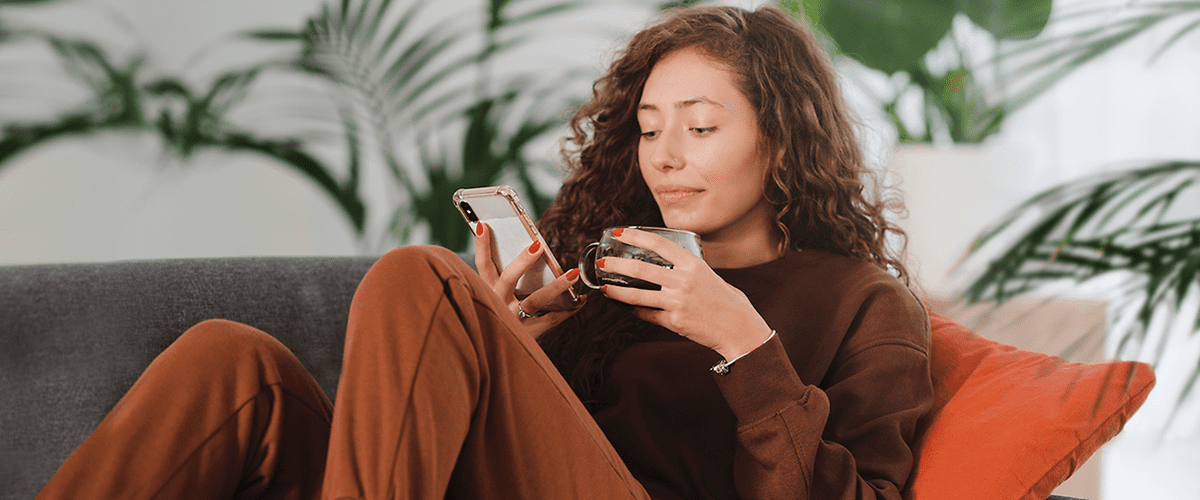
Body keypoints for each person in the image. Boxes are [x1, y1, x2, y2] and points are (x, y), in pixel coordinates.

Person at [36, 5, 931, 500]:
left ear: (783, 138)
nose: (664, 154)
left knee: (417, 273)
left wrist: (748, 348)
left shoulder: (863, 305)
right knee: (234, 363)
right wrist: (503, 348)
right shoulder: (607, 275)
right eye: (650, 127)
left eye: (700, 126)